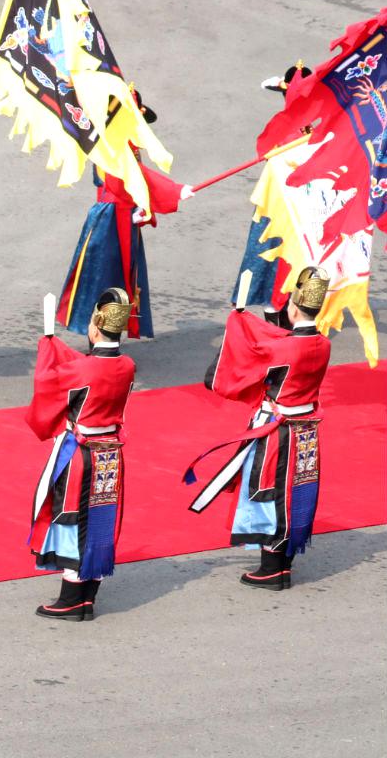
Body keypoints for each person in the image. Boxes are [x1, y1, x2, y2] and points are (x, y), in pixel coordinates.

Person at [184, 268, 332, 590]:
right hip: (305, 430)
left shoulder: (285, 349)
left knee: (270, 492)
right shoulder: (324, 344)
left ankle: (272, 568)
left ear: (293, 307)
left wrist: (236, 329)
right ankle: (284, 563)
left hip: (276, 430)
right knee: (297, 490)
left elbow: (244, 370)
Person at [26, 289, 137, 621]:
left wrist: (47, 351)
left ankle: (72, 599)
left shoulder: (83, 370)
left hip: (81, 454)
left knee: (72, 518)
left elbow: (49, 388)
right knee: (102, 520)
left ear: (95, 326)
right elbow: (89, 366)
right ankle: (88, 597)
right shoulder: (128, 365)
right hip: (111, 453)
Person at [57, 90, 195, 339]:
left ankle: (109, 339)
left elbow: (135, 180)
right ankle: (100, 340)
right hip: (111, 219)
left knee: (120, 281)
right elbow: (129, 177)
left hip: (123, 216)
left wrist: (141, 207)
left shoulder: (123, 142)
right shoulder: (111, 143)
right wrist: (174, 191)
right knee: (105, 280)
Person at [230, 62, 314, 326]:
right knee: (272, 264)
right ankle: (276, 321)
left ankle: (287, 319)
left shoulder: (306, 129)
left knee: (290, 265)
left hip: (297, 207)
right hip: (280, 206)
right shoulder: (289, 128)